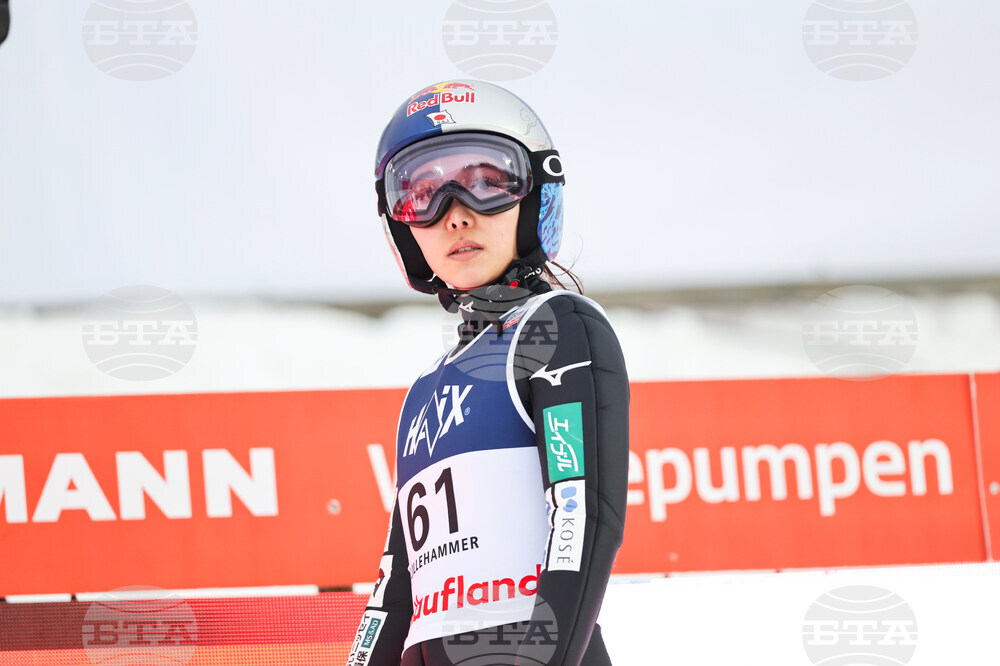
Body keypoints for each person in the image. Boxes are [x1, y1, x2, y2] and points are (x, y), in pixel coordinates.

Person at [345, 80, 629, 666]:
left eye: (486, 183)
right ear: (403, 227)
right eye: (421, 193)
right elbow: (395, 586)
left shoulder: (554, 327)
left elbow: (580, 519)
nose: (455, 216)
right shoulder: (422, 392)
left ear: (533, 196)